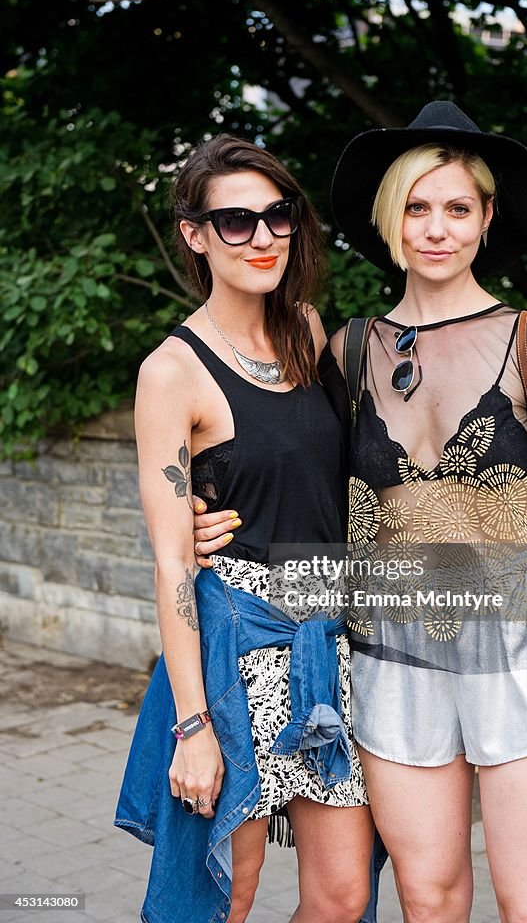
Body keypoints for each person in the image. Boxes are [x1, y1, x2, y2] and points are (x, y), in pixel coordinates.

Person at [196, 101, 527, 923]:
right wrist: (204, 519)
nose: (437, 228)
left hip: (526, 653)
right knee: (427, 899)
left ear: (486, 218)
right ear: (391, 219)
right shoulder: (346, 348)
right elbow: (290, 473)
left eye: (457, 208)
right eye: (417, 207)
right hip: (389, 661)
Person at [115, 135, 372, 923]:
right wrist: (192, 726)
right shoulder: (172, 371)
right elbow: (171, 567)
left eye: (276, 215)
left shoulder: (305, 327)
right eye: (234, 221)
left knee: (341, 895)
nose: (261, 237)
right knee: (230, 892)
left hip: (326, 647)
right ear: (194, 234)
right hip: (240, 647)